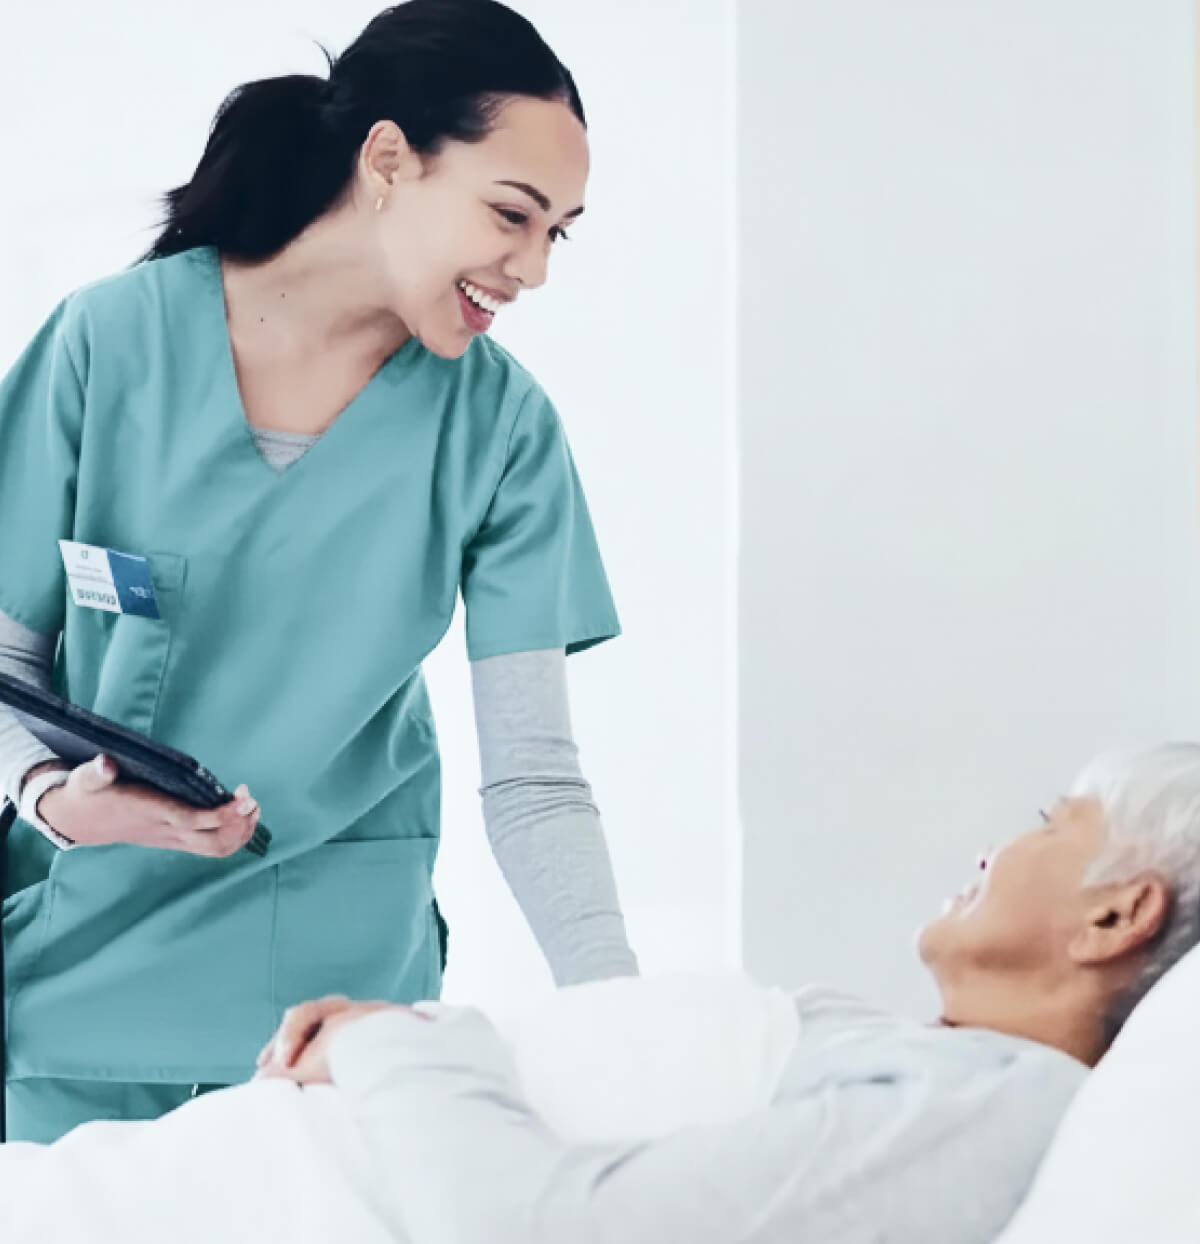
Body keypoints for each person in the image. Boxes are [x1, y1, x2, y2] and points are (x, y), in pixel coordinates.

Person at [0, 0, 638, 1145]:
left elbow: (534, 776)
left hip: (337, 1024)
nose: (533, 268)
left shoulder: (498, 428)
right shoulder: (108, 347)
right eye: (511, 214)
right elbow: (3, 662)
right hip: (78, 982)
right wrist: (50, 798)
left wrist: (630, 1024)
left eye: (560, 232)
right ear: (388, 160)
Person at [4, 743, 1198, 1243]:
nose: (996, 844)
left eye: (1050, 823)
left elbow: (540, 1234)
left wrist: (404, 1042)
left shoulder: (1002, 1098)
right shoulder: (936, 1062)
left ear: (1117, 911)